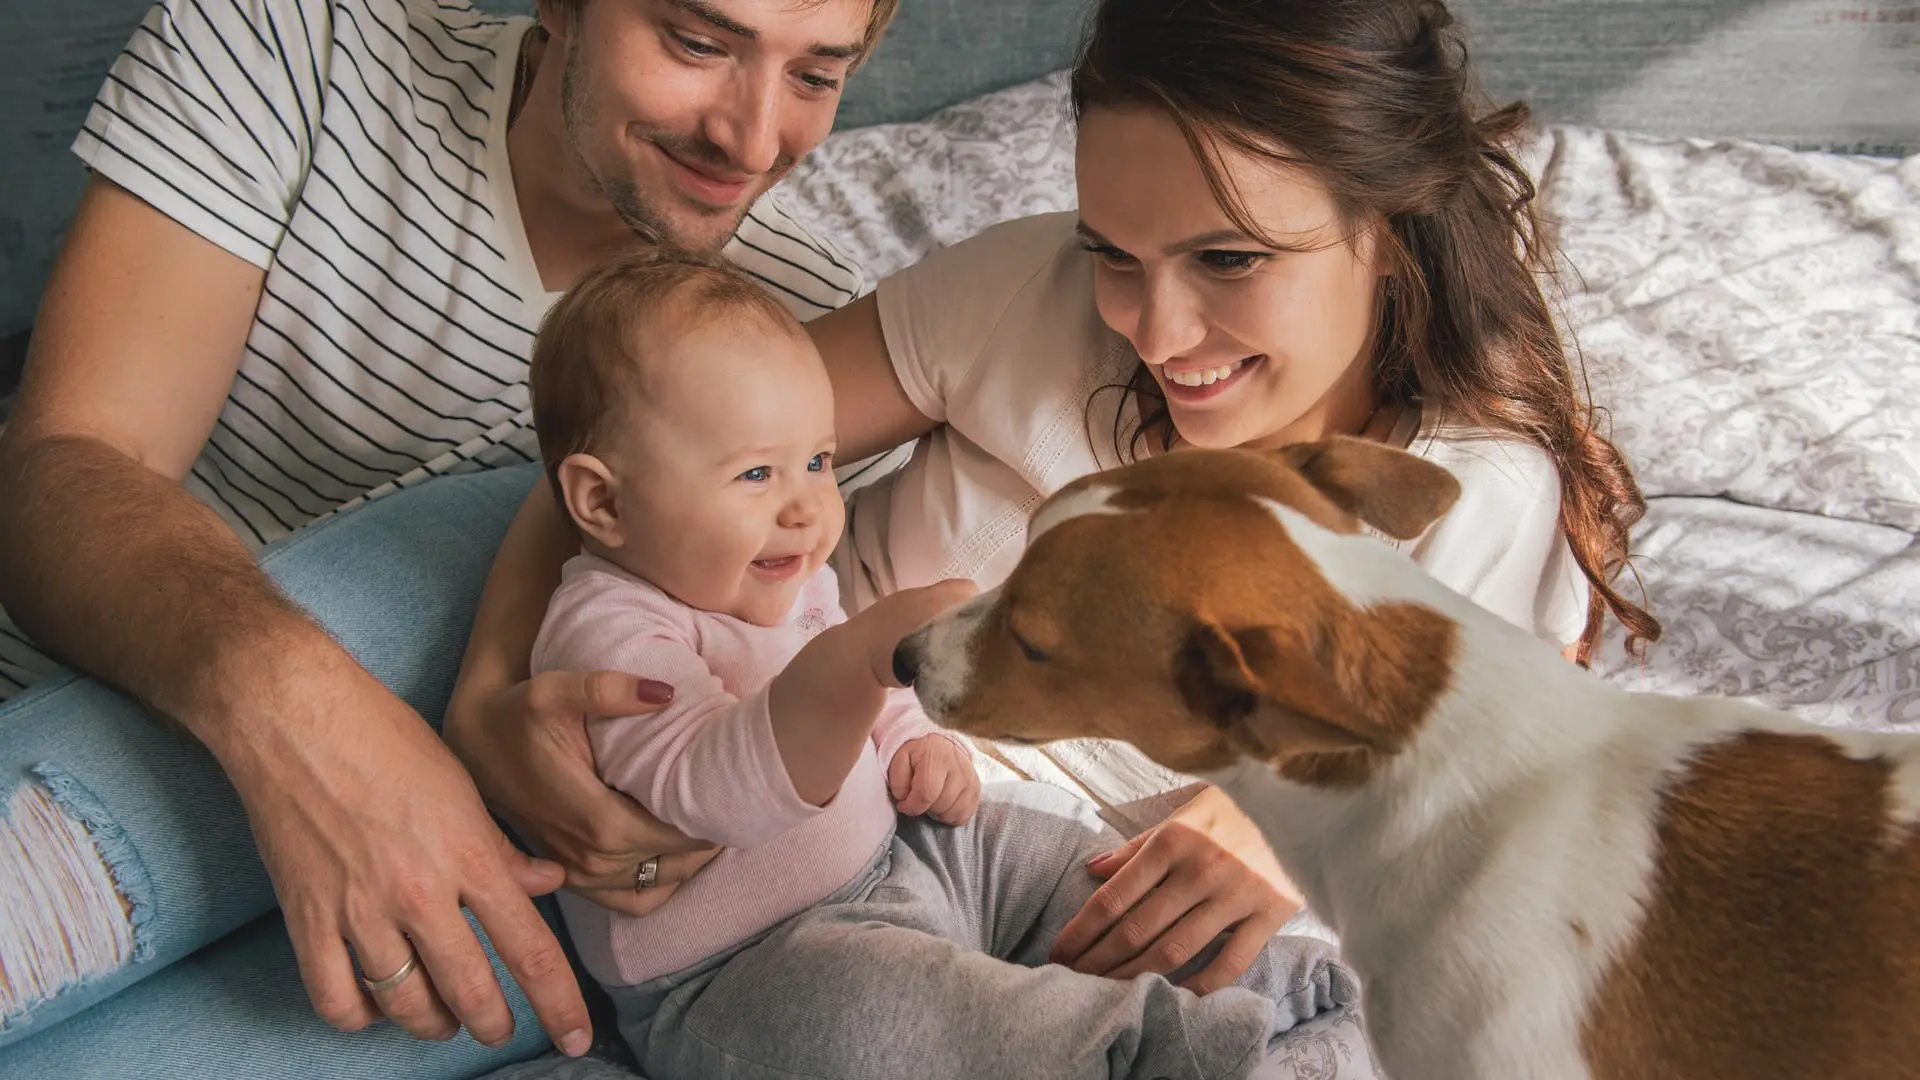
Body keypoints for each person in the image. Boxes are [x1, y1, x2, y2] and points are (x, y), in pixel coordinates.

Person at [449, 0, 1662, 1021]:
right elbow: (643, 449)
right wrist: (489, 695)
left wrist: (1300, 828)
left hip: (919, 899)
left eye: (1230, 260)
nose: (1157, 331)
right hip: (710, 685)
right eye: (1114, 250)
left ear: (1388, 232)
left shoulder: (1473, 496)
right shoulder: (1027, 293)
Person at [0, 0, 894, 1075]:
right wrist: (313, 724)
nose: (750, 142)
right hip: (106, 711)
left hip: (503, 880)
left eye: (815, 77)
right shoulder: (294, 49)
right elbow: (66, 465)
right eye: (698, 43)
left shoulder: (800, 331)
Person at [522, 247, 1353, 1080]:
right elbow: (712, 792)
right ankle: (1150, 1048)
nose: (808, 506)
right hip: (747, 967)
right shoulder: (608, 629)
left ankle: (1296, 999)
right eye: (754, 474)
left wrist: (916, 740)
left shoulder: (782, 574)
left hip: (903, 863)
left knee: (1064, 862)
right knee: (900, 1024)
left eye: (818, 462)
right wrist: (859, 662)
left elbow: (874, 709)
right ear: (603, 501)